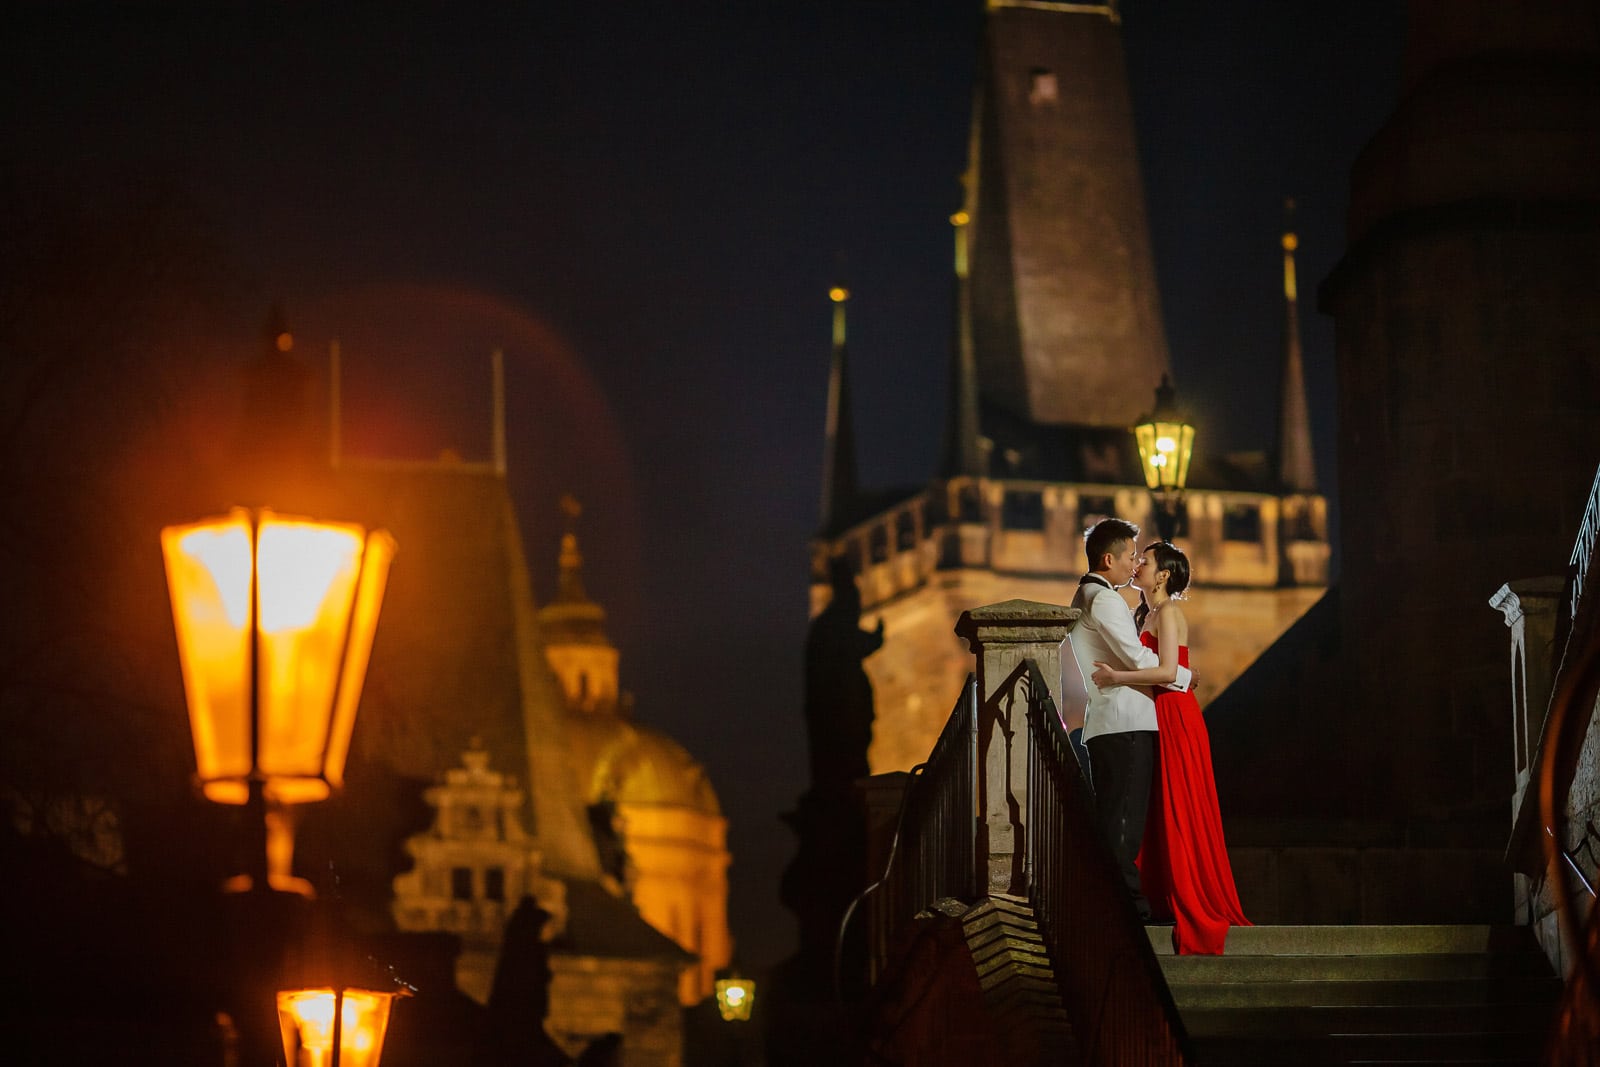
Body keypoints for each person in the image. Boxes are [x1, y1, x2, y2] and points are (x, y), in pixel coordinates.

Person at [1091, 541, 1251, 955]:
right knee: (1157, 805)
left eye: (1146, 560)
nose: (1138, 564)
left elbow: (1163, 671)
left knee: (1179, 802)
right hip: (1156, 711)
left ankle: (1189, 894)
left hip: (1175, 714)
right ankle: (1159, 893)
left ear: (1163, 575)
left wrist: (1116, 678)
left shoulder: (1169, 612)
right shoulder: (1143, 613)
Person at [1068, 518, 1192, 922]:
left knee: (1115, 818)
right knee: (1124, 823)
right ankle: (1129, 910)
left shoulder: (1088, 595)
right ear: (1108, 558)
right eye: (1129, 556)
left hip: (1110, 722)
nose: (1133, 563)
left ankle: (1111, 902)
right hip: (1127, 723)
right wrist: (1184, 675)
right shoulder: (1103, 599)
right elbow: (1139, 659)